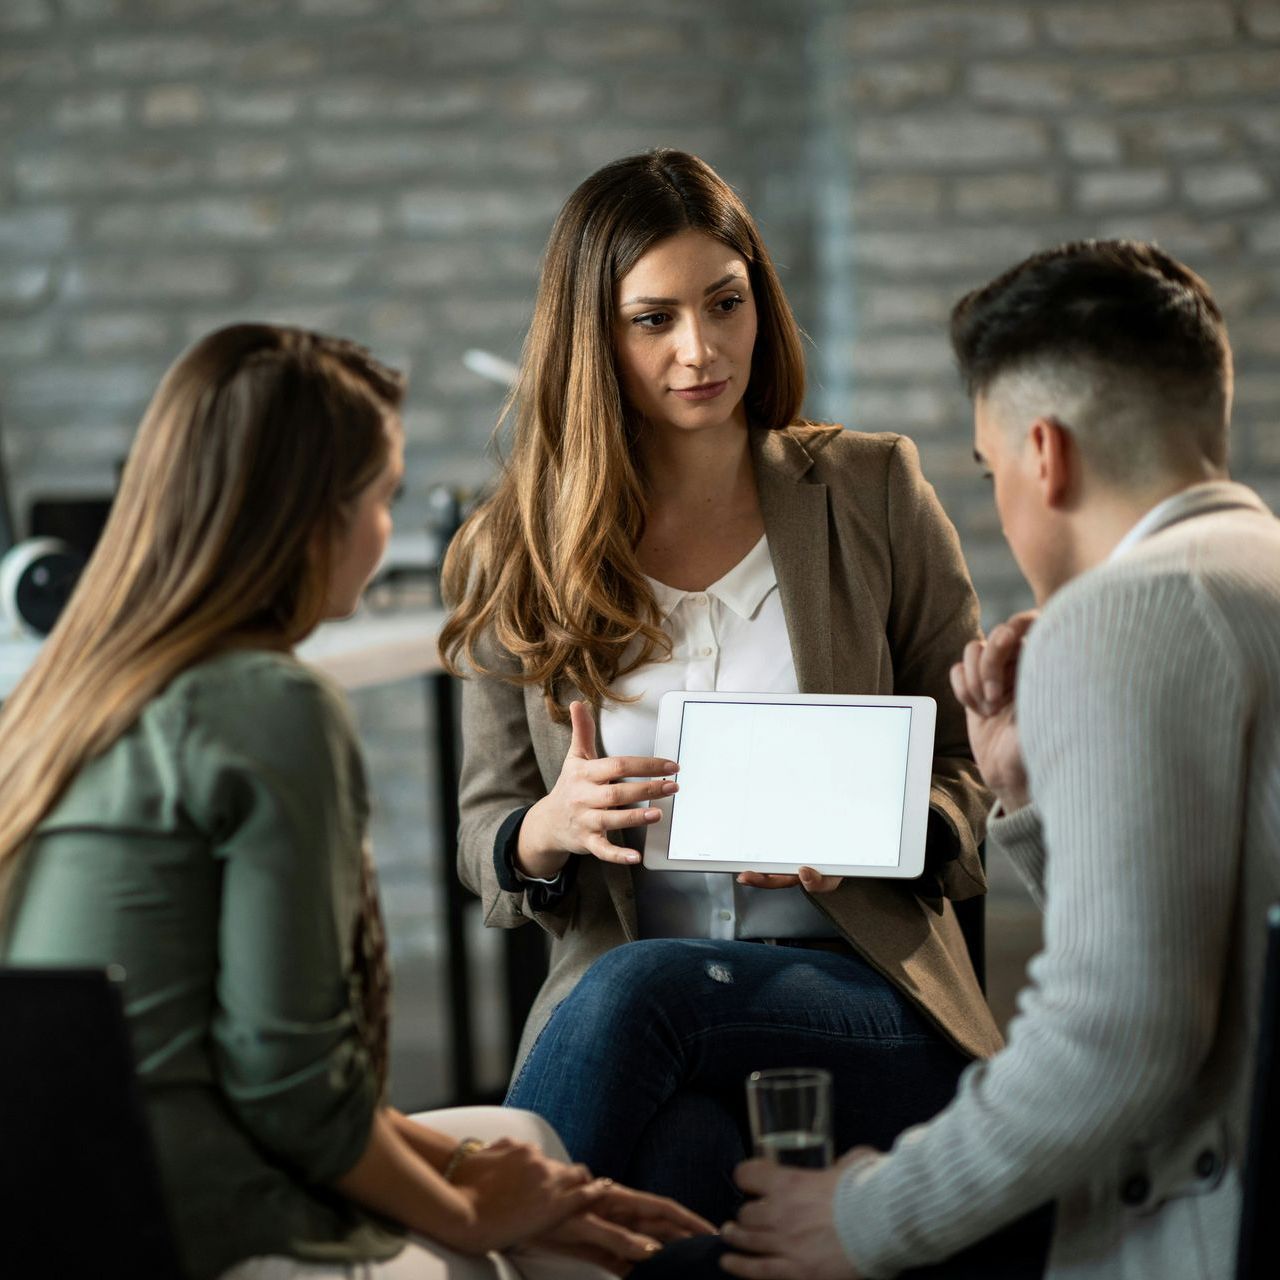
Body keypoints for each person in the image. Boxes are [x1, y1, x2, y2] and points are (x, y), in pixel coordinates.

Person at [0, 324, 709, 1280]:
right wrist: (471, 1213)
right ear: (311, 518)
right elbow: (292, 1087)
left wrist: (491, 1176)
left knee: (529, 1141)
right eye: (384, 497)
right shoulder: (269, 705)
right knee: (532, 1236)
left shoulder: (66, 690)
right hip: (190, 1224)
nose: (389, 529)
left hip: (64, 1200)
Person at [439, 149, 1000, 1224]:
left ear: (759, 304)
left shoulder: (872, 489)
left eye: (724, 304)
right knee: (682, 1148)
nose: (699, 349)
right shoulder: (510, 547)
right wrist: (545, 829)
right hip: (632, 1002)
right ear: (591, 337)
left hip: (857, 990)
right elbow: (483, 835)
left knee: (642, 993)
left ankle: (469, 1240)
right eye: (651, 319)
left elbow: (974, 764)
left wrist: (886, 829)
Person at [713, 240, 1280, 1279]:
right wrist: (1026, 792)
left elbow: (1117, 1037)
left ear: (1043, 453)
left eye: (989, 468)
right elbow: (1204, 926)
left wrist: (863, 1215)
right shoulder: (1252, 571)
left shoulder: (1123, 612)